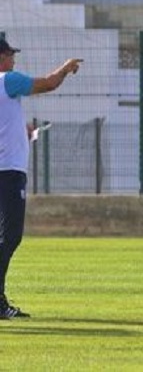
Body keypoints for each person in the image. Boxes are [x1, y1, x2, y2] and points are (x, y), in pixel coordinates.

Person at [0, 38, 82, 318]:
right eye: (10, 54)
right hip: (8, 172)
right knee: (9, 237)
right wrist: (65, 68)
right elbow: (48, 84)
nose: (13, 60)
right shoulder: (7, 80)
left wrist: (18, 132)